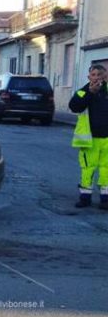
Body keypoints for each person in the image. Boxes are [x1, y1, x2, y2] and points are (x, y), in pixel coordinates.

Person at [69, 64, 108, 210]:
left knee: (106, 169)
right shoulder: (82, 92)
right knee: (88, 169)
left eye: (99, 75)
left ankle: (105, 199)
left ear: (105, 76)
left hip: (107, 139)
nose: (96, 78)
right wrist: (90, 93)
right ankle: (85, 198)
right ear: (89, 77)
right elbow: (74, 107)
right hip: (90, 139)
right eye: (93, 75)